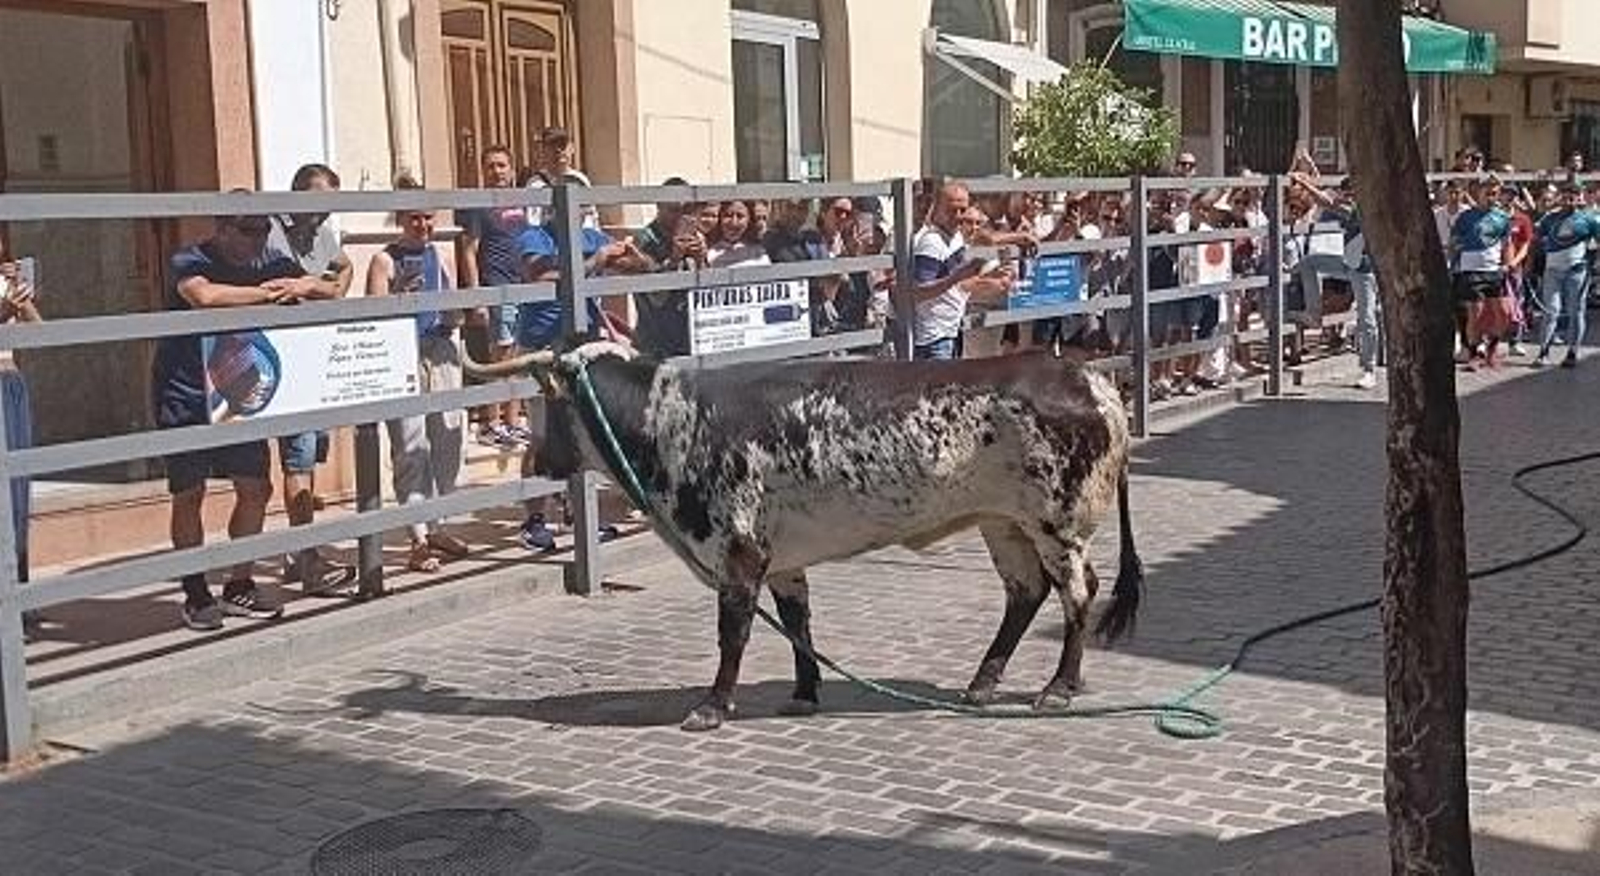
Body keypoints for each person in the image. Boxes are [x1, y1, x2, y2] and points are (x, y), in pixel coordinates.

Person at [153, 206, 318, 630]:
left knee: (255, 488)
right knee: (189, 493)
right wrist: (268, 294)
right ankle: (194, 591)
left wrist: (308, 283)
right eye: (248, 231)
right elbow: (204, 296)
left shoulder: (269, 261)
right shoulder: (189, 259)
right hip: (185, 393)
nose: (258, 239)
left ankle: (239, 584)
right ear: (223, 229)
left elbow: (331, 286)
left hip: (237, 393)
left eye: (264, 230)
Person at [366, 181, 472, 572]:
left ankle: (437, 523)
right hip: (402, 355)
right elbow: (373, 315)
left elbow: (455, 312)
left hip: (440, 351)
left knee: (448, 440)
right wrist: (399, 296)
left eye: (428, 217)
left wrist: (458, 310)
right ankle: (418, 539)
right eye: (414, 218)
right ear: (400, 220)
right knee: (410, 446)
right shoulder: (384, 260)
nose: (422, 225)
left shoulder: (442, 255)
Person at [513, 214, 632, 552]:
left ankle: (580, 514)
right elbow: (540, 272)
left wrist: (631, 253)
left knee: (581, 435)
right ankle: (534, 519)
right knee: (541, 435)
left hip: (582, 349)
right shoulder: (533, 238)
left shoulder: (592, 236)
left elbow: (635, 265)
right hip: (542, 349)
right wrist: (597, 261)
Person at [266, 163, 356, 593]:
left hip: (317, 353)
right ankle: (306, 557)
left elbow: (342, 271)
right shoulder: (269, 228)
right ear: (297, 194)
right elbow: (272, 285)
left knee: (311, 452)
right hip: (282, 356)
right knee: (297, 455)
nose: (323, 216)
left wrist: (314, 287)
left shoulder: (320, 229)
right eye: (318, 204)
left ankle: (303, 552)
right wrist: (316, 286)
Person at [458, 146, 530, 450]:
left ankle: (513, 423)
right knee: (498, 359)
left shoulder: (523, 203)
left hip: (524, 288)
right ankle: (490, 423)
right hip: (496, 287)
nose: (497, 172)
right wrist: (478, 296)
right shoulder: (478, 206)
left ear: (512, 170)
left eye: (502, 165)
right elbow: (468, 250)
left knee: (519, 358)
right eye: (490, 166)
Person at [908, 181, 1010, 360]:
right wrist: (956, 277)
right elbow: (917, 294)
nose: (957, 216)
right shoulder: (931, 243)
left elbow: (963, 283)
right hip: (934, 340)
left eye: (962, 210)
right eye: (951, 210)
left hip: (952, 332)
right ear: (937, 208)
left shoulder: (955, 238)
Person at [0, 241, 41, 641]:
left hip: (10, 380)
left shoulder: (7, 285)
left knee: (18, 493)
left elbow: (40, 332)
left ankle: (22, 593)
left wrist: (23, 302)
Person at [1451, 176, 1515, 369]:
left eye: (1495, 193)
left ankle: (1493, 347)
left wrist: (1508, 264)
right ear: (1478, 193)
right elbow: (1454, 243)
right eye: (1487, 192)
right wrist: (1455, 256)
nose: (1491, 197)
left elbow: (1507, 244)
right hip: (1470, 270)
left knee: (1504, 313)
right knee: (1475, 314)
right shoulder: (1465, 217)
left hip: (1494, 271)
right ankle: (1473, 353)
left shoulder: (1503, 218)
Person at [1534, 183, 1599, 368]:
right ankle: (1543, 353)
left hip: (1577, 271)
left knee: (1576, 311)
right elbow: (1536, 240)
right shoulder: (1549, 218)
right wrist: (1532, 265)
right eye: (1566, 194)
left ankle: (1572, 352)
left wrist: (1594, 264)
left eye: (1574, 194)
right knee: (1550, 311)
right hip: (1552, 271)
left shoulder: (1589, 219)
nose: (1570, 198)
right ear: (1560, 197)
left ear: (1580, 197)